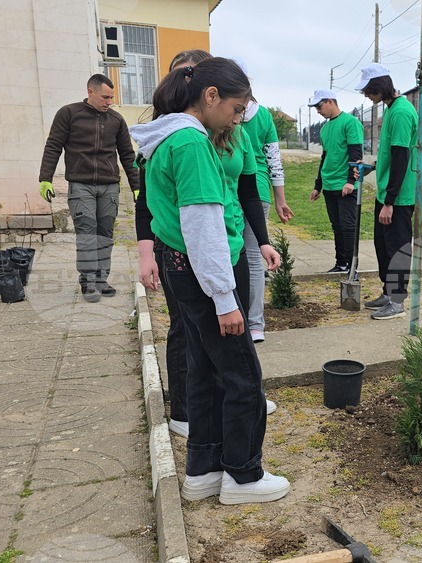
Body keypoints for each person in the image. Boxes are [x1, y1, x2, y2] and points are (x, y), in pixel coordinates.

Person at [130, 57, 288, 504]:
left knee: (204, 369)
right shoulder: (191, 144)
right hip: (202, 275)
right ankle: (242, 475)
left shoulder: (170, 136)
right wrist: (225, 299)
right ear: (211, 97)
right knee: (242, 374)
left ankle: (203, 468)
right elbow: (203, 228)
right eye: (237, 109)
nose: (239, 119)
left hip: (183, 269)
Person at [39, 74, 140, 302]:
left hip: (109, 186)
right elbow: (54, 145)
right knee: (87, 234)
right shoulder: (69, 114)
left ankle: (102, 279)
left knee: (105, 233)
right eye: (105, 97)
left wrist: (137, 186)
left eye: (111, 98)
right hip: (81, 184)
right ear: (90, 92)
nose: (109, 102)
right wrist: (45, 178)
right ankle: (87, 282)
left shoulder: (116, 120)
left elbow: (127, 154)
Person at [356, 63, 418, 320]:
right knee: (383, 246)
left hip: (398, 198)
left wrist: (390, 201)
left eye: (369, 91)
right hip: (387, 195)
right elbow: (390, 156)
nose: (367, 96)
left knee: (397, 248)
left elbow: (401, 157)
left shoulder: (402, 112)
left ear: (379, 86)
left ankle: (398, 300)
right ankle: (388, 292)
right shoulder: (392, 109)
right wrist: (372, 167)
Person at [240, 92, 293, 342]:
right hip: (258, 190)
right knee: (253, 258)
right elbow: (274, 161)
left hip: (227, 188)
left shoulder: (217, 109)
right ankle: (255, 325)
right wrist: (281, 199)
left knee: (233, 254)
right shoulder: (263, 116)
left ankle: (238, 317)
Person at [307, 88, 364, 273]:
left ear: (330, 101)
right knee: (337, 226)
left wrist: (350, 180)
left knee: (348, 226)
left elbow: (356, 153)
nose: (318, 110)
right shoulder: (325, 128)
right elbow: (325, 156)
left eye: (319, 105)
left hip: (345, 185)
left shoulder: (350, 123)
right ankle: (340, 263)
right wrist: (318, 186)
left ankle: (351, 265)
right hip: (330, 184)